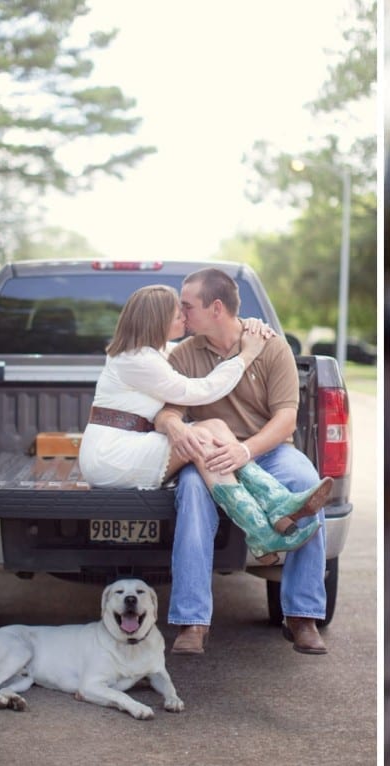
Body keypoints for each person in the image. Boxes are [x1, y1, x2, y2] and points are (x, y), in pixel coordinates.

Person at [78, 284, 330, 561]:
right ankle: (266, 517)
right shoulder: (138, 361)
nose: (184, 319)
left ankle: (269, 513)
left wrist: (247, 327)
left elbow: (202, 343)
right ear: (158, 322)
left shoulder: (148, 353)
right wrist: (246, 355)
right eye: (177, 316)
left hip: (125, 445)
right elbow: (200, 391)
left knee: (213, 427)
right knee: (204, 435)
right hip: (113, 456)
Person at [156, 268, 332, 656]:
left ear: (216, 308)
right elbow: (167, 411)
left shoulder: (270, 346)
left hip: (266, 451)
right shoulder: (184, 354)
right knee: (191, 494)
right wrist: (174, 428)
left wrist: (246, 450)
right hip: (211, 457)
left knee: (307, 481)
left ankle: (302, 616)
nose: (182, 315)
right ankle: (192, 622)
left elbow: (285, 418)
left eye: (188, 306)